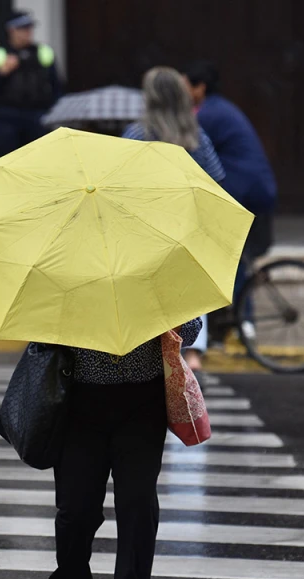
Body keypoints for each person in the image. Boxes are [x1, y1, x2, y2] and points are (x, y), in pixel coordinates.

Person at [46, 67, 217, 579]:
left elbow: (192, 325)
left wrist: (165, 313)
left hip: (142, 399)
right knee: (76, 513)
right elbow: (43, 331)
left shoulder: (158, 253)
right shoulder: (69, 256)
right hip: (83, 406)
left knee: (138, 509)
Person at [122, 67, 226, 372]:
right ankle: (192, 352)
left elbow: (120, 182)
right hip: (186, 224)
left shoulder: (137, 135)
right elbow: (216, 179)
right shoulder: (195, 135)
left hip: (148, 228)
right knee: (191, 291)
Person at [183, 61, 277, 340]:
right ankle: (238, 322)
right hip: (250, 190)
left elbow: (193, 153)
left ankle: (240, 321)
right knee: (234, 261)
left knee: (229, 261)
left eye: (185, 85)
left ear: (200, 88)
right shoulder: (216, 109)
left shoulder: (209, 115)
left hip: (245, 193)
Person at [0, 10, 62, 159]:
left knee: (38, 160)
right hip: (7, 117)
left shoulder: (43, 52)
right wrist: (1, 73)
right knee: (8, 161)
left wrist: (51, 110)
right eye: (22, 29)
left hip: (37, 115)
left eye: (29, 28)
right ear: (11, 30)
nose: (27, 32)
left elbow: (57, 86)